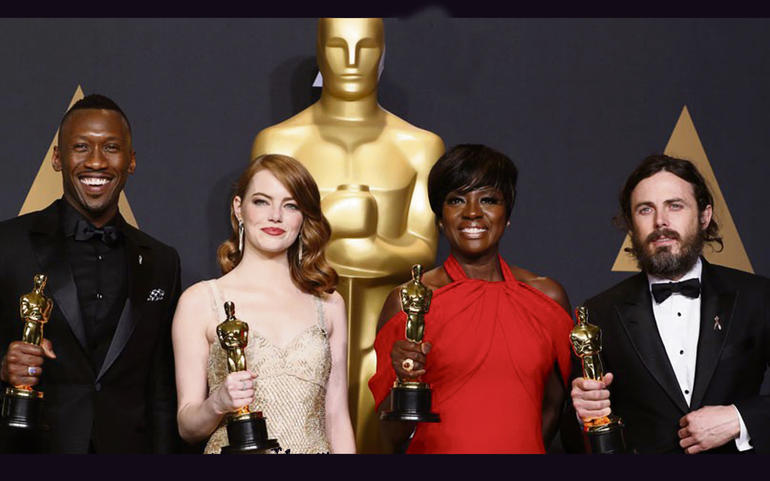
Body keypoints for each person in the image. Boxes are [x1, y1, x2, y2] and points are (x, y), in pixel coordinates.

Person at [252, 18, 445, 452]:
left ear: (383, 53)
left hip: (387, 335)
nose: (353, 61)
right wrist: (363, 239)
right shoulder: (279, 142)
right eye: (338, 47)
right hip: (297, 331)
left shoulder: (420, 146)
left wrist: (340, 241)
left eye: (366, 47)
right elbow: (263, 246)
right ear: (320, 52)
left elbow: (423, 250)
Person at [0, 94, 181, 453]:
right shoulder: (7, 245)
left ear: (131, 161)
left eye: (111, 148)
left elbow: (162, 391)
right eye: (81, 147)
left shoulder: (162, 261)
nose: (96, 161)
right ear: (57, 158)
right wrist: (3, 368)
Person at [368, 144, 574, 454]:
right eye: (456, 200)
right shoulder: (409, 301)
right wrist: (403, 376)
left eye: (488, 199)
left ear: (507, 215)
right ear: (440, 217)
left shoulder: (546, 298)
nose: (473, 212)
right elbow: (390, 435)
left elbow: (553, 408)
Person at [564, 154, 770, 454]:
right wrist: (583, 414)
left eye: (675, 205)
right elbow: (573, 439)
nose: (660, 221)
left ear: (704, 216)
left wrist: (740, 418)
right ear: (631, 225)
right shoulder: (600, 314)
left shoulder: (757, 296)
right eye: (645, 209)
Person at [172, 154, 356, 454]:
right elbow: (187, 427)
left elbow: (336, 417)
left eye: (291, 205)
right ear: (238, 208)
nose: (275, 216)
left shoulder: (329, 303)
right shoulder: (201, 302)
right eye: (261, 202)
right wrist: (218, 402)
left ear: (303, 217)